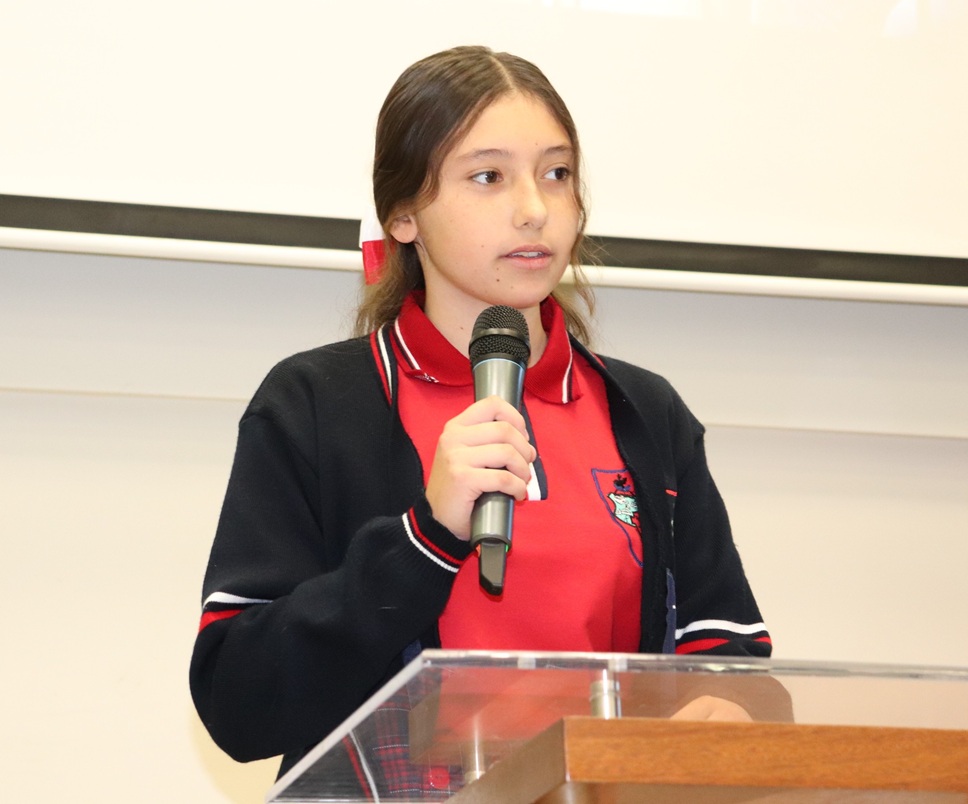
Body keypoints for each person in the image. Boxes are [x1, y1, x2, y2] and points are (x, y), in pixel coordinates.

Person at [190, 45, 772, 781]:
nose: (534, 209)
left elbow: (730, 652)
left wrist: (727, 705)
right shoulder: (315, 404)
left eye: (556, 174)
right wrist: (422, 538)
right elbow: (237, 700)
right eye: (488, 177)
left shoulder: (646, 413)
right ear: (403, 214)